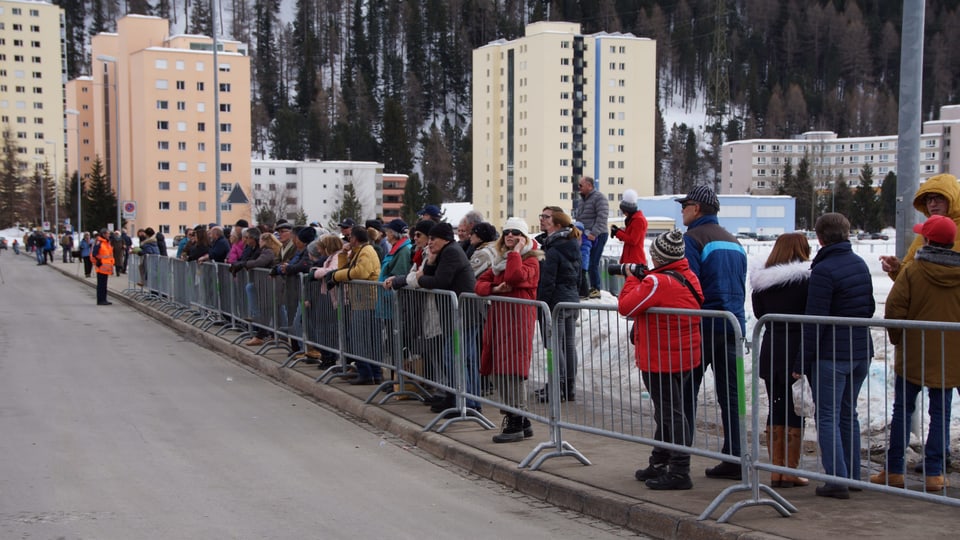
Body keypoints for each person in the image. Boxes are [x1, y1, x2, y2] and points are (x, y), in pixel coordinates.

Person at [873, 215, 960, 493]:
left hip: (913, 354)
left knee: (902, 411)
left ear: (928, 240)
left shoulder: (912, 272)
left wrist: (899, 341)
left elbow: (894, 309)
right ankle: (934, 474)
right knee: (941, 414)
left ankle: (894, 469)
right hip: (950, 357)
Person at [619, 229, 703, 490]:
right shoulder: (687, 276)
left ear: (658, 257)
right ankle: (660, 461)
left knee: (670, 413)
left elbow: (626, 307)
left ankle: (679, 469)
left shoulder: (657, 283)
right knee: (667, 411)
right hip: (684, 355)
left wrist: (632, 278)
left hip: (661, 358)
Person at [677, 185, 747, 480]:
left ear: (696, 208)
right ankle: (736, 457)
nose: (681, 211)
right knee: (731, 396)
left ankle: (679, 459)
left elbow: (688, 284)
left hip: (702, 325)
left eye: (684, 206)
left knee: (684, 393)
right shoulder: (734, 242)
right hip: (732, 324)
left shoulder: (692, 239)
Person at [803, 212, 874, 500]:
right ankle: (853, 475)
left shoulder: (824, 270)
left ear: (819, 238)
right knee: (848, 414)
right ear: (846, 234)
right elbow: (868, 307)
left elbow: (815, 319)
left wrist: (801, 361)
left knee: (828, 416)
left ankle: (836, 479)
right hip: (860, 350)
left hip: (832, 354)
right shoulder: (859, 263)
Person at [750, 233, 811, 488]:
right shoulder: (807, 280)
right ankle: (789, 469)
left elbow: (758, 313)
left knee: (776, 405)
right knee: (795, 407)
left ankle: (776, 469)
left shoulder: (762, 282)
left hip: (771, 346)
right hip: (796, 347)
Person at [476, 217, 543, 443]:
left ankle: (515, 418)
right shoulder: (500, 261)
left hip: (517, 322)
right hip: (499, 321)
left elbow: (515, 276)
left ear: (524, 237)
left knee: (512, 371)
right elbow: (479, 284)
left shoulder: (531, 261)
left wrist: (517, 252)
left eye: (515, 232)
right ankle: (522, 421)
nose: (510, 236)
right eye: (506, 233)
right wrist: (495, 287)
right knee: (497, 369)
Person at [535, 209, 581, 403]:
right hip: (570, 299)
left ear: (558, 224)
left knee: (555, 346)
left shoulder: (554, 249)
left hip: (556, 301)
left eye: (546, 217)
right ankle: (568, 387)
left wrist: (541, 304)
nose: (542, 220)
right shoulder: (571, 244)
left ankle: (558, 387)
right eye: (542, 216)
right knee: (568, 345)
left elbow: (548, 281)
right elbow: (580, 275)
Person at [328, 225, 382, 385]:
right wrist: (344, 254)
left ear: (355, 239)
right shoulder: (359, 251)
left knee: (360, 339)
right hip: (361, 301)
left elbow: (360, 273)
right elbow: (346, 269)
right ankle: (372, 372)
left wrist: (336, 276)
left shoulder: (366, 251)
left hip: (367, 301)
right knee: (364, 339)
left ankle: (368, 372)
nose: (348, 240)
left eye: (350, 237)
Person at [880, 173, 960, 280]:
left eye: (939, 198)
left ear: (954, 199)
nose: (932, 204)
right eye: (928, 199)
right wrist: (896, 268)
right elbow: (907, 278)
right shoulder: (926, 232)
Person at [572, 176, 609, 299]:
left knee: (593, 261)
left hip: (597, 235)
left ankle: (596, 288)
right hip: (585, 235)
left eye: (581, 185)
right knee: (585, 261)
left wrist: (594, 233)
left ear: (589, 185)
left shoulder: (599, 198)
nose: (579, 188)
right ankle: (589, 286)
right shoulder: (583, 200)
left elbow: (602, 217)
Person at [610, 189, 648, 266]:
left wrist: (618, 233)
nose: (624, 214)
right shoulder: (633, 220)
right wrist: (618, 231)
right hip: (630, 258)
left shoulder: (638, 220)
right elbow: (629, 236)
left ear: (628, 211)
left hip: (635, 259)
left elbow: (633, 240)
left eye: (624, 211)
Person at [91, 228, 115, 305]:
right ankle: (101, 300)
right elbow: (94, 254)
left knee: (104, 284)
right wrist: (98, 261)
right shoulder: (100, 243)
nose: (109, 235)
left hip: (106, 267)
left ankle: (103, 299)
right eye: (107, 233)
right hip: (101, 266)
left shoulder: (106, 243)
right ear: (104, 234)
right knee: (101, 284)